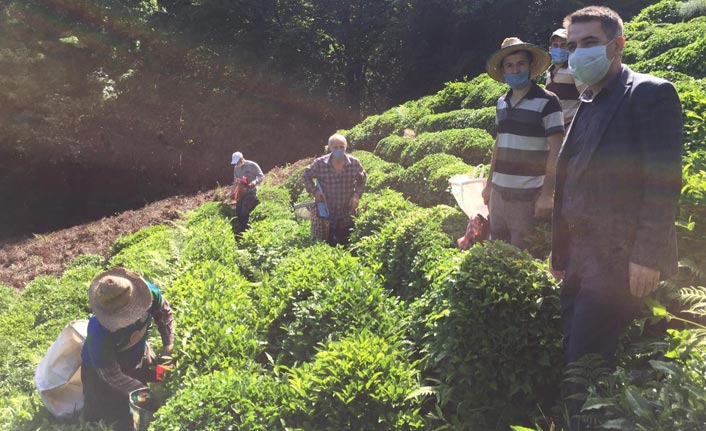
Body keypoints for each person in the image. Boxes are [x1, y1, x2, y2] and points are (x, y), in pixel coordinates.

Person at [549, 5, 682, 424]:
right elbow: (572, 180)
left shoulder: (648, 93)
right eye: (572, 46)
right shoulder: (588, 101)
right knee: (578, 349)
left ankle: (583, 421)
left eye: (589, 43)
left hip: (617, 257)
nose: (577, 54)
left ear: (617, 45)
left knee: (586, 359)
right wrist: (560, 254)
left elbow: (662, 181)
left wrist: (647, 255)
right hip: (580, 258)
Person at [481, 37, 565, 251]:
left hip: (527, 196)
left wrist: (547, 195)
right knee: (496, 250)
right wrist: (489, 185)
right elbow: (499, 144)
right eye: (509, 65)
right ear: (503, 71)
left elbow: (557, 149)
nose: (515, 69)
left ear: (529, 67)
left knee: (521, 256)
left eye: (520, 64)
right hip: (499, 194)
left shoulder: (548, 101)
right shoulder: (501, 102)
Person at [81, 267, 175, 431]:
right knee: (113, 416)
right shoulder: (99, 331)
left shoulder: (148, 293)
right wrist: (142, 390)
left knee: (151, 382)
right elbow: (110, 374)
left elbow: (164, 315)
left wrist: (167, 348)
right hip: (102, 375)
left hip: (136, 354)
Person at [302, 133, 366, 246]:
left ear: (346, 147)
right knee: (324, 244)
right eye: (335, 147)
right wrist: (314, 191)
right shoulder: (320, 164)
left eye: (342, 147)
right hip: (326, 212)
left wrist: (356, 195)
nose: (339, 150)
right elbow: (306, 176)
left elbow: (362, 179)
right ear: (330, 148)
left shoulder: (354, 163)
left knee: (347, 244)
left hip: (346, 212)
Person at [546, 28, 586, 127]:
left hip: (572, 127)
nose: (559, 48)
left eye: (563, 45)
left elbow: (588, 99)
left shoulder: (575, 70)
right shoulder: (549, 72)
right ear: (550, 49)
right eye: (555, 45)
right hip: (554, 129)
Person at [231, 151, 264, 234]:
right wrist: (232, 192)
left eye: (238, 162)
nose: (237, 164)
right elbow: (236, 181)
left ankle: (246, 229)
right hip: (242, 191)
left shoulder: (252, 165)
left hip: (251, 191)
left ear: (242, 159)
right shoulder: (236, 168)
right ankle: (241, 228)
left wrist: (255, 182)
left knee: (244, 211)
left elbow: (261, 176)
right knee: (238, 210)